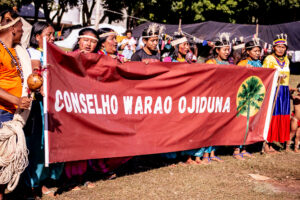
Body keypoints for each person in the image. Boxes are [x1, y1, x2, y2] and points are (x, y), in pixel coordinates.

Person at [25, 21, 64, 198]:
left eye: (52, 34)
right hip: (40, 105)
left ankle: (49, 178)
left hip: (56, 103)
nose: (51, 38)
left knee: (53, 142)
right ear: (37, 36)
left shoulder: (56, 52)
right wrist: (39, 81)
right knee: (39, 143)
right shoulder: (33, 52)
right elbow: (35, 70)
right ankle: (34, 183)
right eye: (47, 34)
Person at [0, 9, 32, 200]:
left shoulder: (17, 52)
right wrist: (15, 100)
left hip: (16, 114)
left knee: (6, 161)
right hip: (2, 111)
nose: (22, 32)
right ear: (13, 28)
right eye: (21, 29)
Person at [64, 27, 100, 191]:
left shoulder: (99, 61)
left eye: (93, 42)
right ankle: (70, 179)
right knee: (74, 143)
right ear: (79, 41)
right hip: (73, 106)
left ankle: (83, 176)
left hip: (91, 106)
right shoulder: (68, 58)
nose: (88, 44)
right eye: (86, 40)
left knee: (88, 142)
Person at [203, 33, 232, 163]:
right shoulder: (210, 62)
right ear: (217, 50)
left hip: (223, 99)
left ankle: (213, 152)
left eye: (228, 49)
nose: (227, 52)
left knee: (218, 126)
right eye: (224, 50)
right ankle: (204, 154)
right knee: (208, 126)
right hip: (211, 97)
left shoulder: (230, 65)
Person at [263, 33, 293, 153]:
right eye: (278, 47)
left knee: (282, 116)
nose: (281, 49)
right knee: (271, 116)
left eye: (283, 47)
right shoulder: (269, 59)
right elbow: (265, 75)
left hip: (284, 91)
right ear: (274, 47)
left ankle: (275, 140)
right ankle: (266, 143)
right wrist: (277, 76)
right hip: (274, 90)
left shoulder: (286, 60)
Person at [287, 84, 300, 152]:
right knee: (292, 133)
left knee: (298, 135)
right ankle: (287, 147)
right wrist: (292, 89)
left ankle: (296, 148)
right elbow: (289, 95)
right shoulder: (296, 98)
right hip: (295, 119)